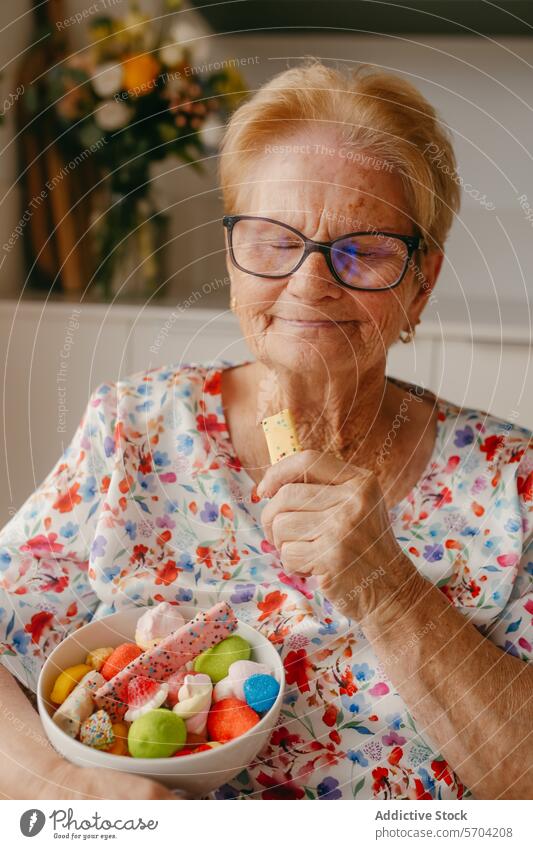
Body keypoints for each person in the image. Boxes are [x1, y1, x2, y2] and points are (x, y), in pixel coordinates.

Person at [0, 62, 531, 801]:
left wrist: (389, 589)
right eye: (274, 241)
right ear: (232, 254)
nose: (311, 283)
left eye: (365, 247)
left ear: (421, 281)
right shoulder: (136, 427)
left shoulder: (511, 480)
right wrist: (63, 787)